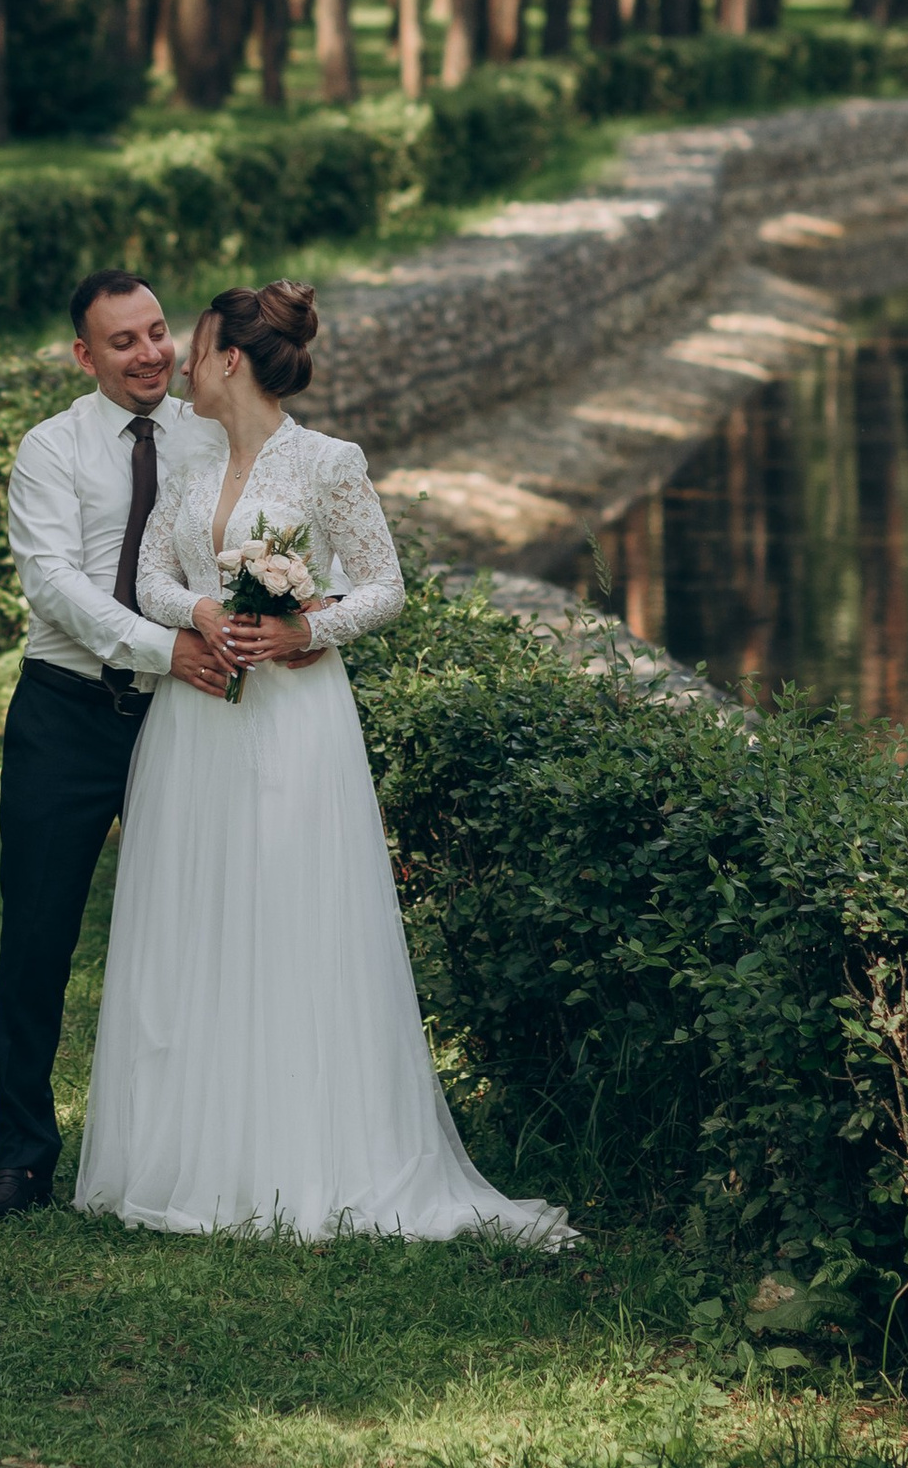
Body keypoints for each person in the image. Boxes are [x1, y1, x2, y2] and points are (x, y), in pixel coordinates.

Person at [75, 280, 571, 1246]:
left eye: (196, 347)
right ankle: (196, 1154)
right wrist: (201, 612)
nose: (180, 363)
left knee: (286, 913)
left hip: (294, 722)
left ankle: (302, 1158)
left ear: (230, 360)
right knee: (197, 915)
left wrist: (309, 628)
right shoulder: (193, 460)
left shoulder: (327, 462)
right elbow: (150, 579)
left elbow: (385, 586)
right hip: (198, 719)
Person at [0, 269, 230, 1224]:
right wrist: (167, 647)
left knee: (194, 936)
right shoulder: (52, 449)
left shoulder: (212, 435)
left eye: (158, 331)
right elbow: (54, 585)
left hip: (186, 718)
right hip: (66, 716)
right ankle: (24, 1160)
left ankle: (192, 1149)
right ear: (85, 356)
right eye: (124, 341)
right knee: (37, 941)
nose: (151, 353)